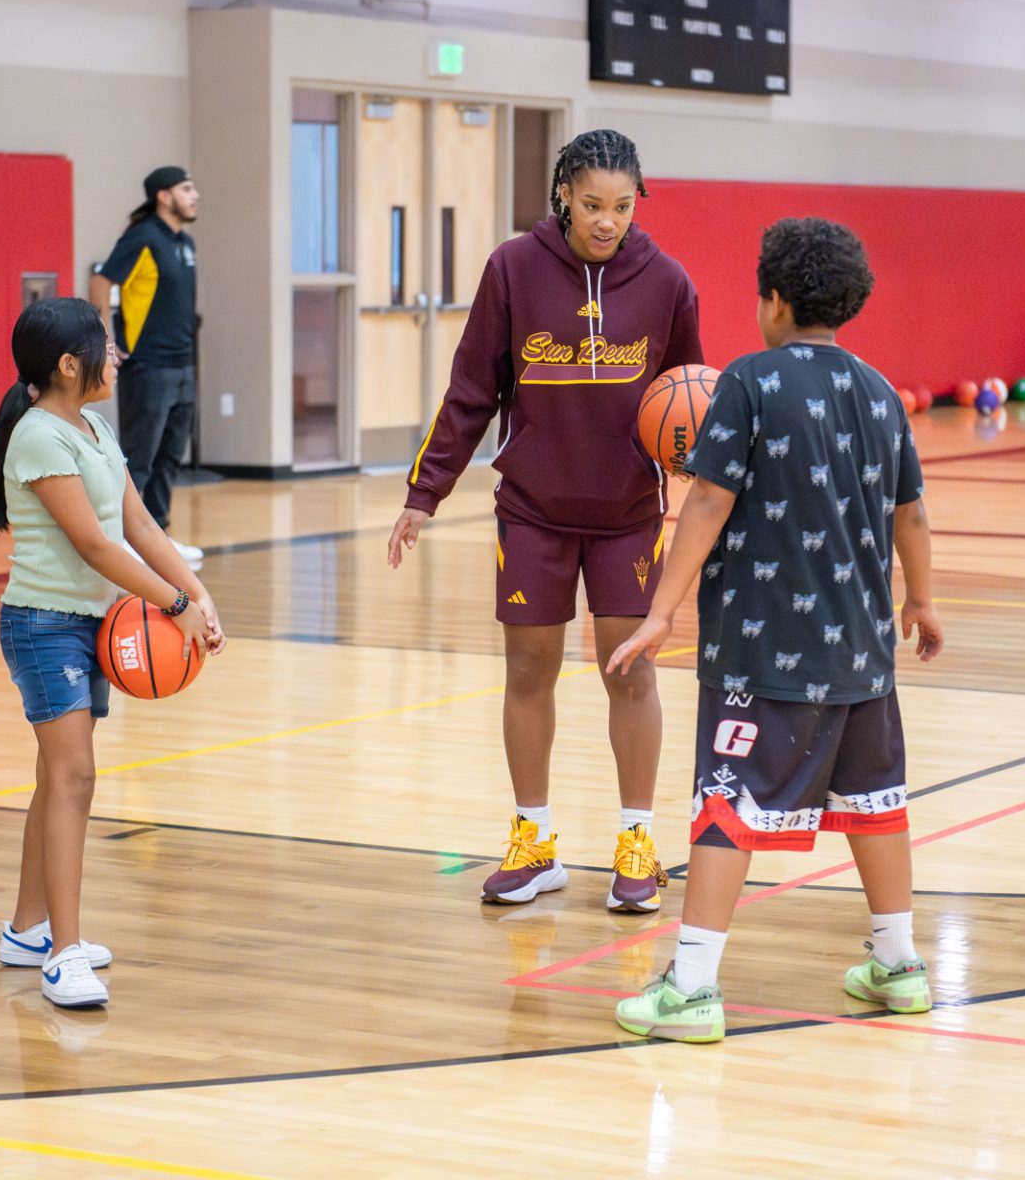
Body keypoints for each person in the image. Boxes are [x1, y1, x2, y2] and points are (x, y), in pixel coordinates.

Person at [604, 217, 943, 1043]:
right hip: (862, 651)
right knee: (875, 804)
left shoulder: (746, 385)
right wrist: (923, 602)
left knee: (726, 804)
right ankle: (899, 967)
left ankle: (690, 987)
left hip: (760, 650)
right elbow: (913, 515)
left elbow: (709, 503)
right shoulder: (877, 389)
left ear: (776, 299)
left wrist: (660, 610)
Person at [388, 130, 702, 914]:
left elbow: (697, 395)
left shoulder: (666, 281)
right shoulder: (513, 269)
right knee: (528, 672)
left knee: (628, 674)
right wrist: (424, 494)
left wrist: (703, 485)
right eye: (593, 204)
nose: (607, 221)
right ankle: (534, 840)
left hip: (629, 512)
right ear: (563, 193)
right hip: (532, 509)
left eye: (623, 207)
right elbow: (471, 390)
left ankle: (637, 842)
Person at [0, 297, 225, 1008]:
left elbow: (141, 524)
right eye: (106, 347)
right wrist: (172, 607)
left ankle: (28, 930)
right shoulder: (38, 437)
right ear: (68, 364)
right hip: (43, 626)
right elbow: (93, 543)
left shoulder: (91, 427)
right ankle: (62, 955)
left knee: (56, 779)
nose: (116, 358)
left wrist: (197, 595)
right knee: (74, 780)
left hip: (88, 624)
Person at [91, 166, 204, 563]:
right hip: (149, 365)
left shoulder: (184, 242)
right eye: (186, 189)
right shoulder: (143, 238)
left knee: (172, 454)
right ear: (164, 196)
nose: (195, 195)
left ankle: (159, 538)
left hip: (184, 363)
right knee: (140, 456)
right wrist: (104, 336)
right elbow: (102, 281)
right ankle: (125, 539)